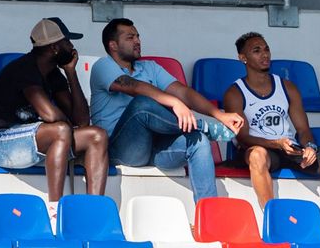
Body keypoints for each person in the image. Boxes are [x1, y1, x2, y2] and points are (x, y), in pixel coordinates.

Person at [0, 17, 109, 220]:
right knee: (61, 130)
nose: (72, 47)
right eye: (67, 41)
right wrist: (67, 126)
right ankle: (56, 211)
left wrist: (71, 73)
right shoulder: (23, 68)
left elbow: (81, 121)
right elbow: (49, 115)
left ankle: (95, 211)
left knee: (97, 136)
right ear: (54, 47)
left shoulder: (54, 74)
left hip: (28, 142)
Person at [89, 18, 244, 203]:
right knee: (142, 104)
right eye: (130, 37)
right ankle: (202, 126)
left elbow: (183, 92)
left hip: (155, 148)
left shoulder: (150, 67)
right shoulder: (103, 65)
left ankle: (208, 211)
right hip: (120, 150)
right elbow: (133, 87)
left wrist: (220, 115)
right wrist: (174, 103)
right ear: (113, 45)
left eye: (138, 36)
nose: (137, 41)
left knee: (199, 141)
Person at [223, 32, 320, 209]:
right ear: (243, 58)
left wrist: (309, 147)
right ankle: (272, 216)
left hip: (290, 149)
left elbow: (303, 130)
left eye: (266, 49)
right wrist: (276, 143)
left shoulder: (287, 87)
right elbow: (243, 138)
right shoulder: (235, 93)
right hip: (261, 150)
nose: (264, 54)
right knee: (258, 155)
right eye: (256, 51)